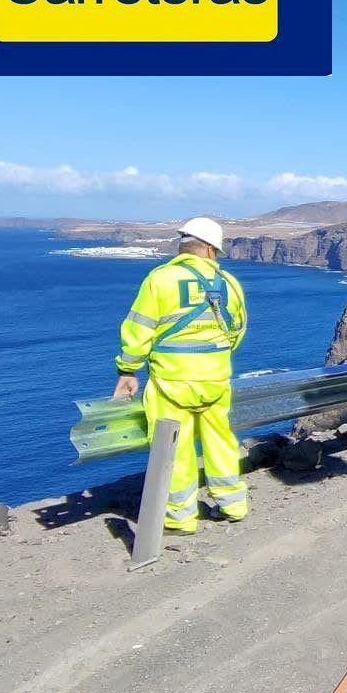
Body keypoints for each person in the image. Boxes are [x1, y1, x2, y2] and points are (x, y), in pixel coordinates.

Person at [112, 217, 248, 534]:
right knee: (221, 440)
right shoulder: (229, 283)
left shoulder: (160, 279)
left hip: (171, 381)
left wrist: (127, 369)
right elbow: (237, 331)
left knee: (174, 447)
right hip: (215, 379)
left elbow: (139, 329)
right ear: (213, 249)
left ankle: (180, 516)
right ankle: (232, 503)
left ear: (183, 244)